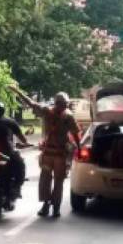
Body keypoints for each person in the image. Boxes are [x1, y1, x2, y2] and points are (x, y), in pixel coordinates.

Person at [9, 85, 81, 217]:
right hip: (59, 155)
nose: (62, 106)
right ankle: (54, 208)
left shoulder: (47, 111)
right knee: (55, 182)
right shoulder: (68, 117)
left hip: (49, 154)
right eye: (63, 104)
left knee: (46, 181)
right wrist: (79, 148)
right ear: (66, 104)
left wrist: (17, 91)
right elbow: (76, 134)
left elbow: (30, 103)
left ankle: (47, 206)